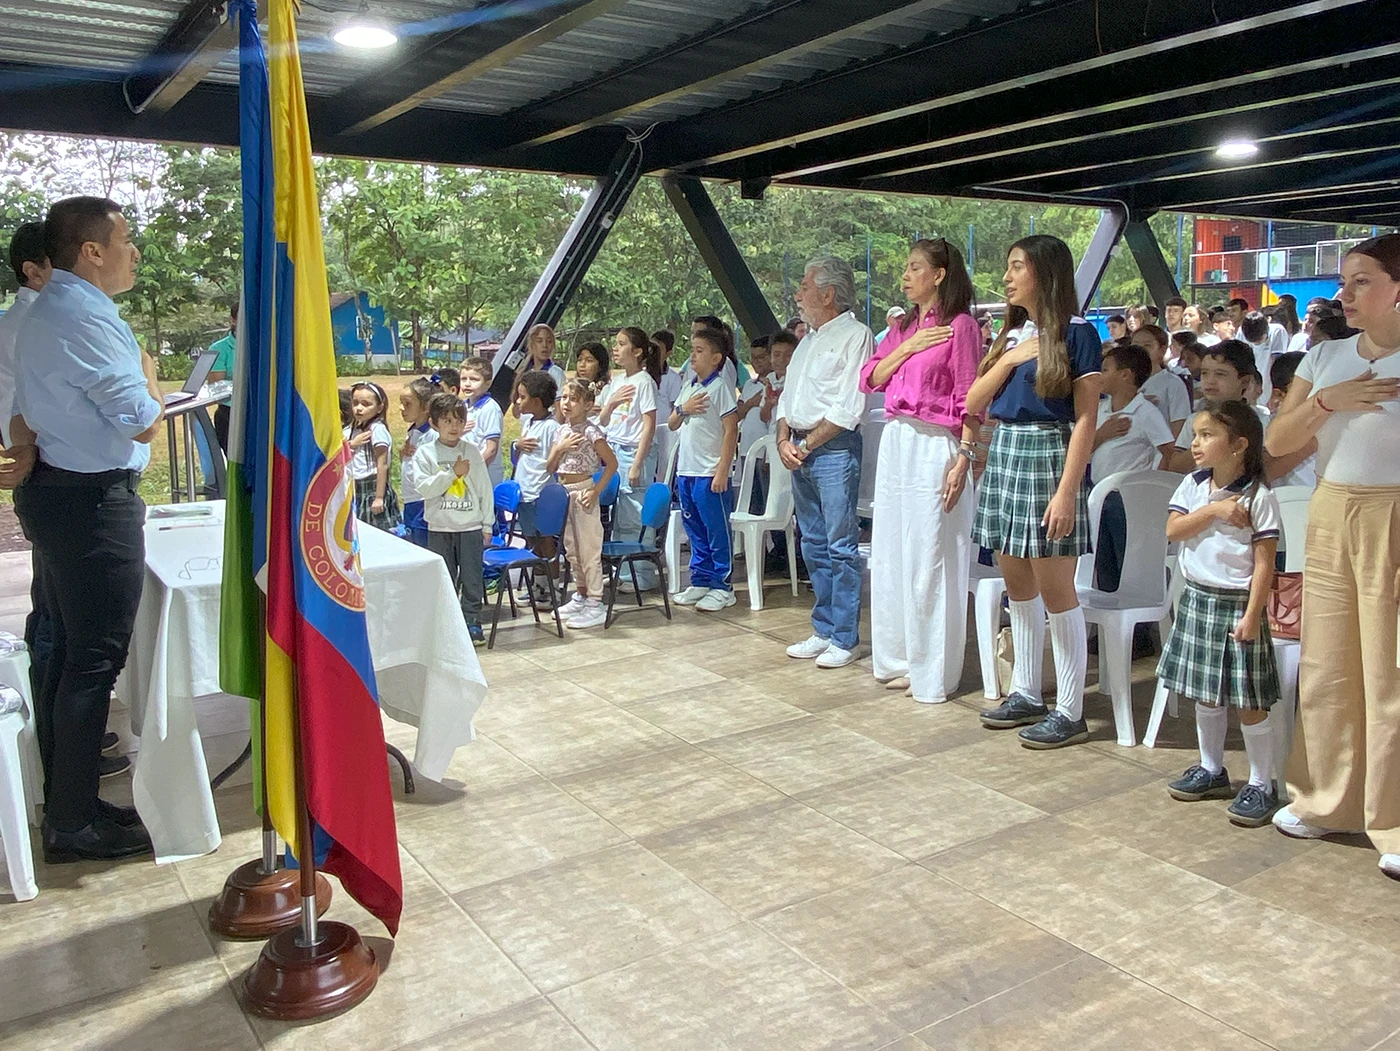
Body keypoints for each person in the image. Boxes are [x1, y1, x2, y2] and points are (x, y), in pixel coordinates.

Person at [8, 196, 164, 862]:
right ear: (91, 250)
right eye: (125, 240)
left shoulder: (47, 310)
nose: (134, 253)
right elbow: (142, 419)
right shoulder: (84, 315)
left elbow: (23, 421)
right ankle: (73, 824)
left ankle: (71, 803)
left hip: (62, 495)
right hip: (92, 503)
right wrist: (153, 380)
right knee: (92, 662)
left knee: (72, 653)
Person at [1263, 234, 1400, 880]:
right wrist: (1326, 402)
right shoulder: (1325, 356)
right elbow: (1276, 441)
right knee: (1328, 662)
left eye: (1361, 281)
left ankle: (1393, 815)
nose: (1342, 294)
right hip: (1330, 512)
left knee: (1390, 670)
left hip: (1393, 517)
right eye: (1344, 282)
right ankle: (1324, 797)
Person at [967, 234, 1102, 749]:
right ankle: (1025, 689)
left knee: (1056, 588)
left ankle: (1070, 707)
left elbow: (1088, 418)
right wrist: (1007, 359)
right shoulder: (1012, 334)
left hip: (1049, 453)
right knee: (1016, 582)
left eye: (1016, 266)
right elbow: (974, 401)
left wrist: (1068, 491)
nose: (1007, 277)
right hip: (1005, 453)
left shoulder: (1079, 333)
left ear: (1044, 273)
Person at [859, 238, 980, 703]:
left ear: (940, 274)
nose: (905, 276)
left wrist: (964, 456)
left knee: (932, 555)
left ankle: (933, 669)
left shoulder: (961, 326)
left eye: (914, 267)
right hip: (897, 439)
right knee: (892, 552)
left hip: (936, 442)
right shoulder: (904, 327)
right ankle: (898, 657)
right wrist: (908, 347)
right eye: (905, 268)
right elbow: (870, 377)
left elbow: (971, 396)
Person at [1159, 401, 1283, 826]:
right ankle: (1211, 768)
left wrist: (1253, 615)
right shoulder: (1193, 486)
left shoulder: (1260, 497)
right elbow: (1174, 529)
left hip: (1236, 606)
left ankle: (1262, 782)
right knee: (1206, 694)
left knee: (1249, 700)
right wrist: (1214, 509)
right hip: (1197, 598)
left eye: (1208, 435)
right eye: (1195, 434)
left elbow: (1264, 563)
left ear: (1239, 445)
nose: (1195, 443)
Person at [776, 257, 872, 670]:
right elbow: (787, 398)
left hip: (832, 449)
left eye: (804, 286)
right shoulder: (808, 340)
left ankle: (845, 637)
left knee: (839, 545)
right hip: (800, 447)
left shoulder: (856, 335)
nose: (798, 294)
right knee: (812, 544)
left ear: (828, 294)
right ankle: (824, 627)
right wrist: (783, 438)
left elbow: (850, 405)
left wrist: (807, 444)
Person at [0, 223, 58, 738]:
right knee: (54, 614)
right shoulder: (33, 323)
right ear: (32, 270)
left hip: (37, 464)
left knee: (52, 604)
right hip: (40, 467)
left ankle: (52, 729)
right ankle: (50, 731)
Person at [1091, 342, 1177, 594]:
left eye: (1106, 369)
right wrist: (1101, 435)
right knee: (1103, 563)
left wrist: (1153, 483)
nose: (1100, 375)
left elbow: (1168, 449)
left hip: (1128, 500)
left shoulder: (1145, 411)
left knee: (1128, 560)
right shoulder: (1100, 410)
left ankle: (1139, 630)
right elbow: (1082, 451)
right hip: (1098, 494)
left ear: (1126, 375)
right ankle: (1108, 624)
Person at [412, 393, 494, 646]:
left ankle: (472, 621)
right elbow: (424, 488)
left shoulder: (471, 451)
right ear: (435, 422)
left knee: (471, 578)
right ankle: (447, 624)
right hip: (439, 527)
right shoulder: (425, 453)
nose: (454, 426)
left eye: (459, 420)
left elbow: (484, 488)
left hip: (469, 527)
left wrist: (487, 524)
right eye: (447, 420)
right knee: (444, 578)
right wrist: (451, 474)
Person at [669, 326, 740, 612]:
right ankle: (700, 579)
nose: (693, 357)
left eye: (700, 352)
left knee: (716, 530)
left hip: (710, 472)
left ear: (716, 358)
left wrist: (723, 470)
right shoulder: (689, 386)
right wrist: (683, 408)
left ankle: (722, 586)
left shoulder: (719, 387)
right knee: (694, 528)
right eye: (692, 351)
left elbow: (731, 428)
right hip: (686, 470)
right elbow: (673, 423)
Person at [546, 379, 617, 630]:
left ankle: (595, 601)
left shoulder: (591, 431)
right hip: (564, 493)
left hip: (583, 492)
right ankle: (581, 593)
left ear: (588, 404)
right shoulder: (560, 431)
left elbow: (612, 463)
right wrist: (560, 448)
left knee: (588, 548)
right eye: (564, 397)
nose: (567, 403)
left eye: (573, 399)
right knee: (571, 549)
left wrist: (596, 491)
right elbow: (550, 467)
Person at [599, 327, 661, 590]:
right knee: (620, 513)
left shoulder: (644, 382)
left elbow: (649, 424)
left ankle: (642, 574)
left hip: (634, 452)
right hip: (615, 449)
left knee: (636, 513)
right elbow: (602, 420)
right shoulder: (617, 382)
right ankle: (624, 570)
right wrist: (610, 403)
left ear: (637, 351)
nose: (615, 348)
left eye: (622, 344)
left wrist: (637, 462)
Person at [1167, 341, 1271, 473]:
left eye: (1220, 374)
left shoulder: (1260, 421)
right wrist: (1203, 438)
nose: (1210, 381)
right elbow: (1175, 467)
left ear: (1244, 381)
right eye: (1204, 373)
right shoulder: (1195, 420)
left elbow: (1263, 467)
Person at [512, 371, 561, 605]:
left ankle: (553, 589)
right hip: (525, 492)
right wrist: (517, 445)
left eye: (522, 397)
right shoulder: (529, 422)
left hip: (541, 494)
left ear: (538, 402)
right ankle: (538, 587)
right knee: (531, 541)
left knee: (546, 541)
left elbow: (554, 462)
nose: (518, 402)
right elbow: (521, 455)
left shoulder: (552, 427)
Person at [344, 381, 400, 530]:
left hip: (372, 488)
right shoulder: (351, 430)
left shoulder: (377, 429)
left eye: (366, 404)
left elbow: (382, 465)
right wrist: (351, 445)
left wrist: (379, 497)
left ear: (379, 407)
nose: (359, 408)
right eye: (355, 403)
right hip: (355, 487)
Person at [397, 376, 439, 547]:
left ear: (425, 407)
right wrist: (402, 453)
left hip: (424, 500)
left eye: (407, 404)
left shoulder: (432, 435)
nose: (401, 408)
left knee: (425, 546)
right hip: (410, 498)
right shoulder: (413, 430)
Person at [1130, 324, 1191, 439]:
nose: (1140, 350)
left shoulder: (1173, 383)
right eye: (1136, 345)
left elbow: (1179, 428)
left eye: (1147, 345)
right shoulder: (1124, 381)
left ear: (1162, 350)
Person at [1265, 352, 1316, 489]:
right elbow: (1265, 471)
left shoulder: (1334, 421)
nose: (1316, 397)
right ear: (1279, 395)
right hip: (1285, 502)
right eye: (1305, 390)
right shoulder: (1266, 426)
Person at [737, 336, 774, 509]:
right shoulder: (749, 385)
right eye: (753, 357)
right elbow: (738, 414)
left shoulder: (775, 384)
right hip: (747, 449)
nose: (756, 362)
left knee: (768, 499)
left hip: (765, 451)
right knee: (752, 502)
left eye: (761, 357)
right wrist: (752, 401)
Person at [459, 356, 504, 488]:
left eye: (474, 379)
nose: (467, 384)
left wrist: (475, 470)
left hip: (484, 476)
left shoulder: (490, 408)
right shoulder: (462, 406)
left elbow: (491, 449)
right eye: (463, 379)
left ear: (488, 383)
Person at [651, 330, 681, 479]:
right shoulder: (642, 375)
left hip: (664, 433)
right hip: (644, 432)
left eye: (659, 349)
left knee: (663, 473)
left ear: (668, 352)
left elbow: (675, 406)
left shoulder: (673, 378)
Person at [208, 302, 237, 452]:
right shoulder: (218, 349)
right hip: (230, 414)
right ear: (233, 320)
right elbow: (217, 387)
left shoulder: (267, 345)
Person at [516, 322, 565, 406]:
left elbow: (559, 409)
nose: (545, 345)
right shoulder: (524, 372)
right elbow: (516, 411)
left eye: (549, 341)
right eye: (539, 341)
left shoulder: (555, 373)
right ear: (531, 344)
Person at [1239, 311, 1276, 405]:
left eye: (1259, 340)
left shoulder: (1277, 331)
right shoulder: (1241, 332)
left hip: (1268, 384)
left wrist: (1274, 394)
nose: (1256, 343)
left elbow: (1276, 362)